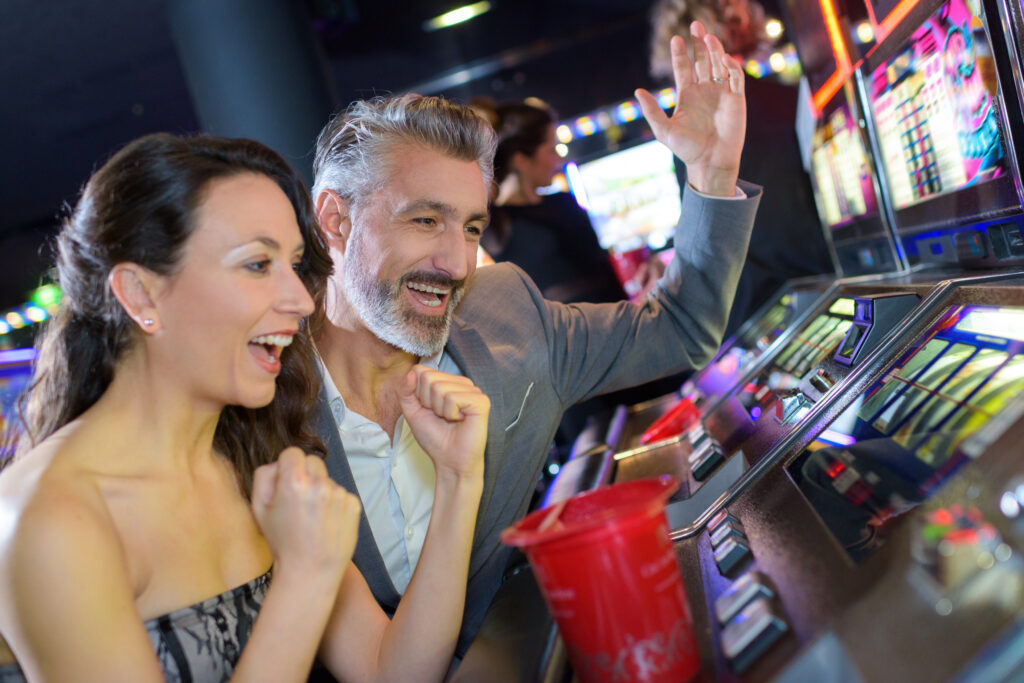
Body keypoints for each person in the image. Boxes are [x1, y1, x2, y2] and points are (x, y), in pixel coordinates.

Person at [310, 25, 759, 656]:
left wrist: (712, 175)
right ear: (336, 219)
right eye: (424, 220)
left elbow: (679, 330)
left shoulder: (507, 318)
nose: (456, 262)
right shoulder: (258, 404)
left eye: (470, 227)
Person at [0, 133, 488, 681]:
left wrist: (457, 479)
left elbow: (394, 674)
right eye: (257, 265)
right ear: (140, 295)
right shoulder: (49, 516)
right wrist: (304, 579)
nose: (302, 301)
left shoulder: (249, 457)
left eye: (295, 264)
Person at [651, 0, 834, 337]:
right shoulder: (787, 100)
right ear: (738, 20)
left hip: (745, 315)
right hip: (821, 289)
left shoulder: (686, 130)